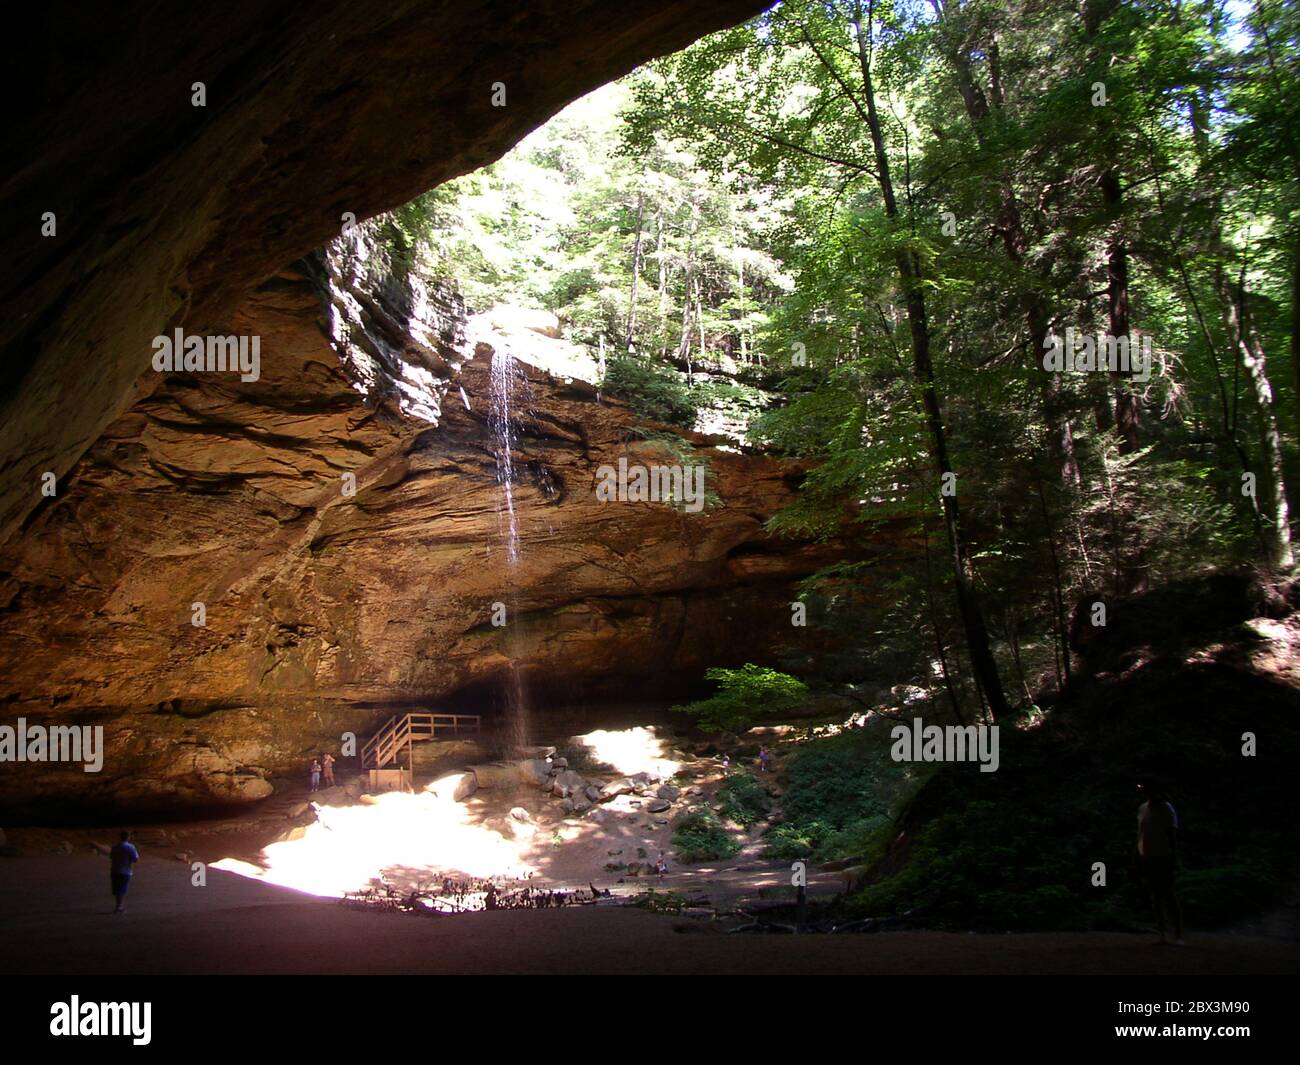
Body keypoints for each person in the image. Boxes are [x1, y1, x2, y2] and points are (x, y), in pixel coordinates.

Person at [1137, 780, 1184, 945]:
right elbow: (1141, 834)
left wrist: (1173, 857)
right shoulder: (1143, 808)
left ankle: (1178, 934)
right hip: (1149, 857)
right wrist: (1140, 855)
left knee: (1169, 894)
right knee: (1155, 896)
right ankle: (1162, 934)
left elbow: (1172, 834)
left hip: (1163, 856)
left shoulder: (1166, 808)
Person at [109, 830, 140, 914]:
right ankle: (119, 907)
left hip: (115, 870)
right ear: (128, 837)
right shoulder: (130, 847)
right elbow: (135, 859)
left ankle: (118, 905)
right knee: (122, 889)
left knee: (117, 889)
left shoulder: (115, 847)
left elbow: (111, 856)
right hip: (125, 871)